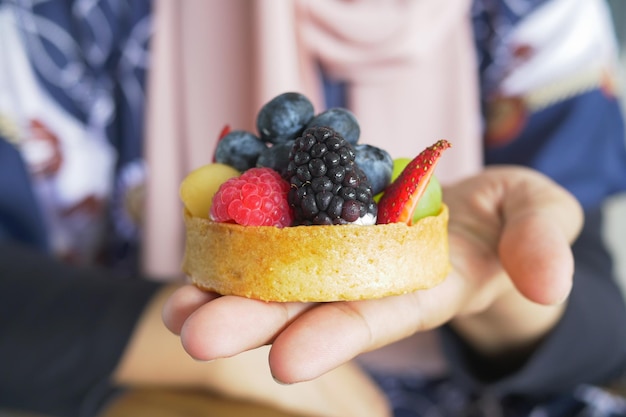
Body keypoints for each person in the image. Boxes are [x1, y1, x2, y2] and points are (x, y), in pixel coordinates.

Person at [1, 1, 626, 417]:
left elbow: (604, 336)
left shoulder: (537, 13)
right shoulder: (55, 20)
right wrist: (193, 357)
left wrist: (502, 288)